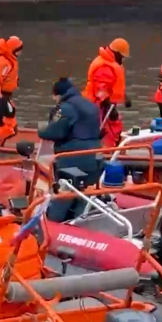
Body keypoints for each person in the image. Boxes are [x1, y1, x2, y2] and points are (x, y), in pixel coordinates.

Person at [39, 78, 103, 222]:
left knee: (65, 192)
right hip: (94, 156)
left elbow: (56, 132)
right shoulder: (90, 105)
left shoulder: (66, 108)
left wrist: (41, 130)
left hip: (72, 158)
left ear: (58, 94)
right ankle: (79, 221)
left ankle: (52, 224)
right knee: (84, 191)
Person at [83, 38, 132, 147]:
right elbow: (101, 90)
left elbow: (113, 87)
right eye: (122, 56)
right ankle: (104, 151)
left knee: (113, 129)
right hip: (98, 106)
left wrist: (124, 97)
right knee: (105, 132)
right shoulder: (105, 67)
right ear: (116, 53)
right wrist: (110, 107)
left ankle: (110, 148)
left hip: (105, 105)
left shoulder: (110, 64)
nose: (122, 59)